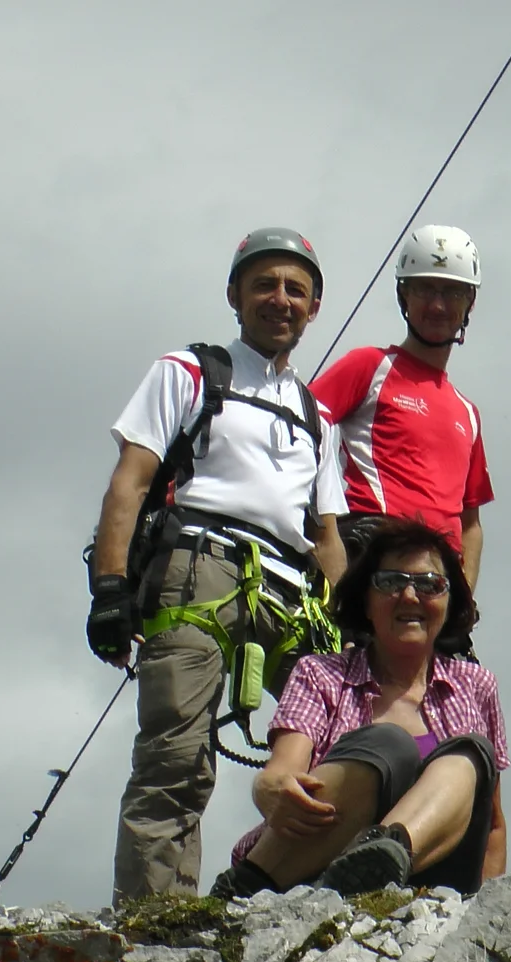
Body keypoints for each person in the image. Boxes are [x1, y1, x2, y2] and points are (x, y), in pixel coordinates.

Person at [88, 227, 349, 903]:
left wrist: (355, 636)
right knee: (176, 758)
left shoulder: (319, 418)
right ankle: (154, 924)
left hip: (293, 596)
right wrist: (111, 589)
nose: (280, 299)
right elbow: (131, 479)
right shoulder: (190, 371)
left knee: (332, 754)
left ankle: (292, 899)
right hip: (198, 567)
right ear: (235, 295)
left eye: (296, 289)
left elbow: (326, 536)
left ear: (314, 307)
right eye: (264, 284)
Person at [211, 521, 509, 899]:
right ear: (365, 601)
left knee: (471, 753)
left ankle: (383, 857)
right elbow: (282, 771)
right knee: (389, 745)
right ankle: (251, 884)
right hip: (315, 861)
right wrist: (270, 789)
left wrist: (487, 909)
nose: (410, 596)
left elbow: (493, 826)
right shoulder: (321, 674)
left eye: (429, 584)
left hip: (431, 876)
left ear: (450, 602)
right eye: (390, 582)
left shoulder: (476, 686)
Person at [310, 225, 493, 580]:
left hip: (438, 576)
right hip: (374, 551)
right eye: (425, 288)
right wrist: (326, 532)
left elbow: (471, 524)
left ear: (469, 302)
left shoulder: (467, 413)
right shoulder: (370, 366)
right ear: (403, 295)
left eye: (453, 292)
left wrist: (464, 596)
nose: (438, 304)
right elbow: (296, 423)